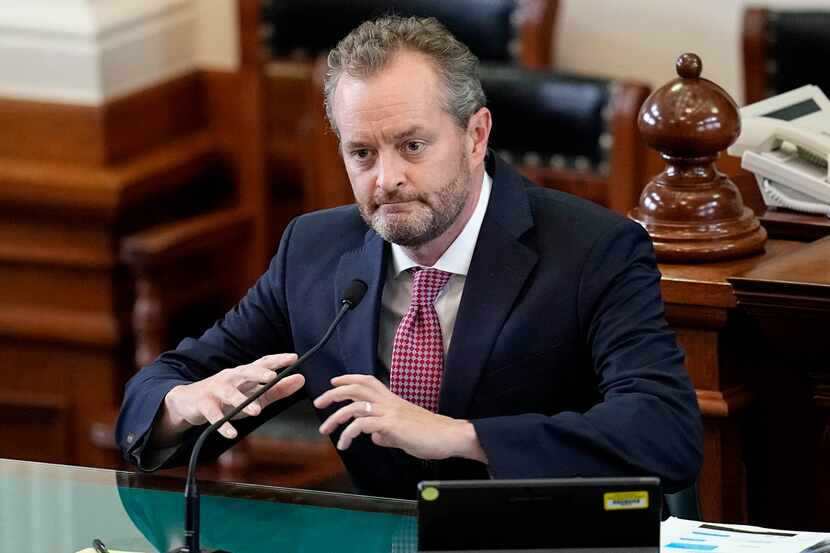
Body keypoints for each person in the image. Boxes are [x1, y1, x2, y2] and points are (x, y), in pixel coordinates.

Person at [116, 16, 702, 499]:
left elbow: (664, 433)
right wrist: (182, 402)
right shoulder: (314, 252)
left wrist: (462, 436)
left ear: (476, 136)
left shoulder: (593, 249)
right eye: (362, 153)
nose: (387, 179)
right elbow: (156, 400)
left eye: (413, 146)